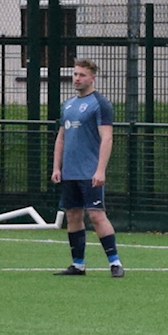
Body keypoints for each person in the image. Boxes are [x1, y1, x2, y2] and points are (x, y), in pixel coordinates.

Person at [52, 57, 123, 277]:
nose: (77, 79)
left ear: (92, 77)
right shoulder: (69, 105)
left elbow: (107, 138)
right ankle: (78, 265)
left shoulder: (100, 104)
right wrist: (57, 167)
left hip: (89, 172)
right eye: (75, 74)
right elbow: (61, 138)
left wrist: (100, 170)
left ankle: (115, 263)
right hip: (70, 172)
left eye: (82, 75)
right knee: (73, 216)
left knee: (96, 215)